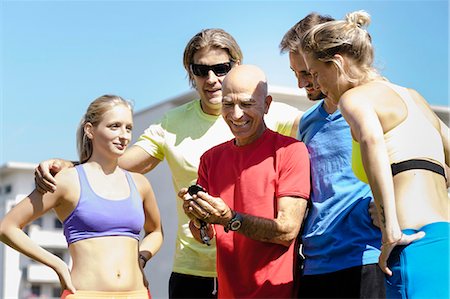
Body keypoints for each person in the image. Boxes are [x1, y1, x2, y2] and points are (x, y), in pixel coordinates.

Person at [34, 28, 302, 298]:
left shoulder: (267, 111)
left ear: (237, 67)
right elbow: (116, 166)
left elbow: (324, 126)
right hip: (192, 268)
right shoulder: (171, 124)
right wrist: (70, 166)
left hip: (257, 270)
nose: (211, 79)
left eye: (221, 68)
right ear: (190, 72)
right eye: (200, 70)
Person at [300, 10, 450, 299]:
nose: (316, 85)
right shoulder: (412, 96)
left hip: (407, 244)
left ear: (338, 63)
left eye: (316, 73)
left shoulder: (354, 98)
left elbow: (371, 140)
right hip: (443, 239)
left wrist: (389, 226)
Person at [0, 95, 163, 299]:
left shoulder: (140, 184)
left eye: (128, 128)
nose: (124, 136)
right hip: (84, 293)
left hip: (137, 294)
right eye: (114, 126)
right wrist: (57, 264)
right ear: (90, 130)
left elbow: (155, 231)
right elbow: (7, 227)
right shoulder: (67, 181)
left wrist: (140, 258)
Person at [180, 64, 311, 298]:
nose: (236, 114)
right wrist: (198, 217)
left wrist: (230, 219)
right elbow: (206, 236)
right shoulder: (210, 159)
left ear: (267, 104)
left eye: (247, 104)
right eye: (228, 104)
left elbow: (287, 231)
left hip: (277, 292)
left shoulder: (291, 151)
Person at [279, 13, 384, 298]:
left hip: (368, 258)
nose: (302, 83)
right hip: (315, 266)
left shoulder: (379, 106)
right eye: (296, 73)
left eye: (308, 73)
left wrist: (395, 200)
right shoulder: (306, 124)